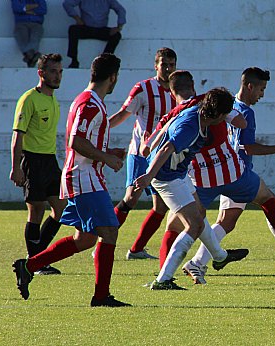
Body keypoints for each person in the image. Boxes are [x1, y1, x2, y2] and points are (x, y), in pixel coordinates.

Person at [180, 68, 275, 285]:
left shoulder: (227, 105)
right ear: (249, 86)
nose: (262, 94)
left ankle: (195, 263)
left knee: (226, 222)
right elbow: (247, 147)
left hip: (216, 170)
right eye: (261, 89)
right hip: (236, 174)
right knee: (267, 201)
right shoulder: (245, 112)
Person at [12, 53, 131, 307]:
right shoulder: (90, 103)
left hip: (84, 175)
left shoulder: (88, 100)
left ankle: (29, 265)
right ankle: (101, 297)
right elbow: (75, 141)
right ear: (113, 78)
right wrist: (106, 158)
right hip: (83, 177)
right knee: (109, 230)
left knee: (85, 239)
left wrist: (109, 154)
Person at [134, 78, 249, 290]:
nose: (225, 120)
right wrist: (149, 175)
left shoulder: (199, 113)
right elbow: (167, 147)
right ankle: (163, 280)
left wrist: (148, 146)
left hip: (178, 174)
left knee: (200, 212)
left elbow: (167, 126)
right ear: (216, 114)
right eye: (224, 116)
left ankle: (220, 256)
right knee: (193, 225)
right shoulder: (190, 127)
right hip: (166, 178)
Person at [107, 47, 177, 260]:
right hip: (140, 153)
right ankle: (103, 242)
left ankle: (136, 250)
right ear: (156, 66)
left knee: (161, 206)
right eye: (163, 64)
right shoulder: (144, 88)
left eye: (171, 65)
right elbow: (122, 115)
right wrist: (98, 130)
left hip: (162, 155)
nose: (167, 68)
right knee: (131, 198)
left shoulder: (178, 91)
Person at [10, 53, 66, 276]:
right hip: (32, 160)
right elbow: (17, 135)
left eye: (60, 72)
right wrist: (16, 167)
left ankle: (38, 257)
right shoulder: (29, 99)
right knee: (37, 211)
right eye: (53, 71)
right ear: (41, 73)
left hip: (49, 160)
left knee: (61, 208)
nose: (57, 76)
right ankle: (35, 262)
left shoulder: (52, 99)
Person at [62, 0, 126, 69]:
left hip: (101, 29)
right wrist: (77, 19)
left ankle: (104, 60)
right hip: (86, 28)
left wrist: (119, 27)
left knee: (117, 35)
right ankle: (74, 60)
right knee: (73, 29)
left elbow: (121, 10)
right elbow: (67, 4)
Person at [11, 0, 47, 67]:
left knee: (35, 37)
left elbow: (43, 9)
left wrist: (25, 9)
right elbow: (17, 8)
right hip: (21, 23)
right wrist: (35, 6)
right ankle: (32, 55)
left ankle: (29, 56)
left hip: (36, 23)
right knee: (21, 36)